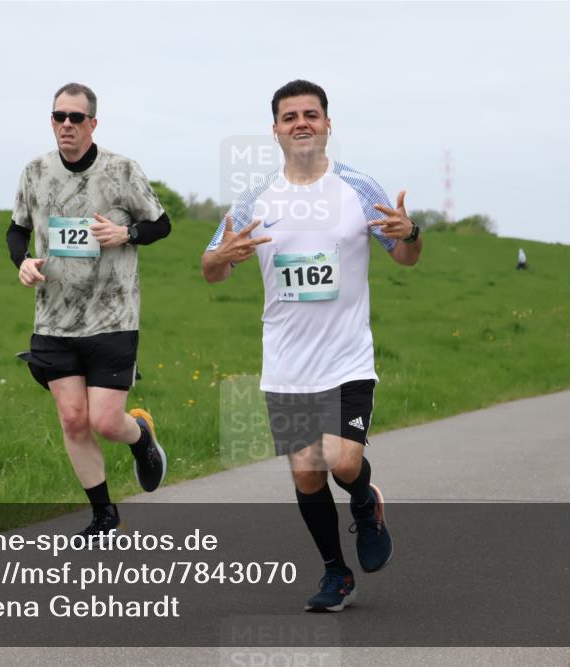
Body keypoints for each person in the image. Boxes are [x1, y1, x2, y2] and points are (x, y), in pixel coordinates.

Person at [201, 80, 423, 612]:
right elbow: (212, 269)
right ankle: (336, 574)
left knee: (342, 462)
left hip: (347, 357)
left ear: (327, 124)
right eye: (290, 116)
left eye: (311, 114)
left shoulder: (357, 188)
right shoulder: (255, 199)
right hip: (287, 363)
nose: (301, 123)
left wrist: (411, 234)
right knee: (306, 472)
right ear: (275, 130)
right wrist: (220, 257)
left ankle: (365, 502)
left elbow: (405, 256)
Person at [6, 82, 171, 537]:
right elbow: (17, 230)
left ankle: (140, 436)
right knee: (73, 419)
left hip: (113, 316)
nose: (67, 124)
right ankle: (104, 515)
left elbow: (161, 225)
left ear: (92, 124)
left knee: (105, 421)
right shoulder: (35, 172)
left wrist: (127, 234)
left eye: (76, 118)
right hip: (53, 319)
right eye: (59, 116)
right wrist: (23, 262)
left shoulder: (121, 170)